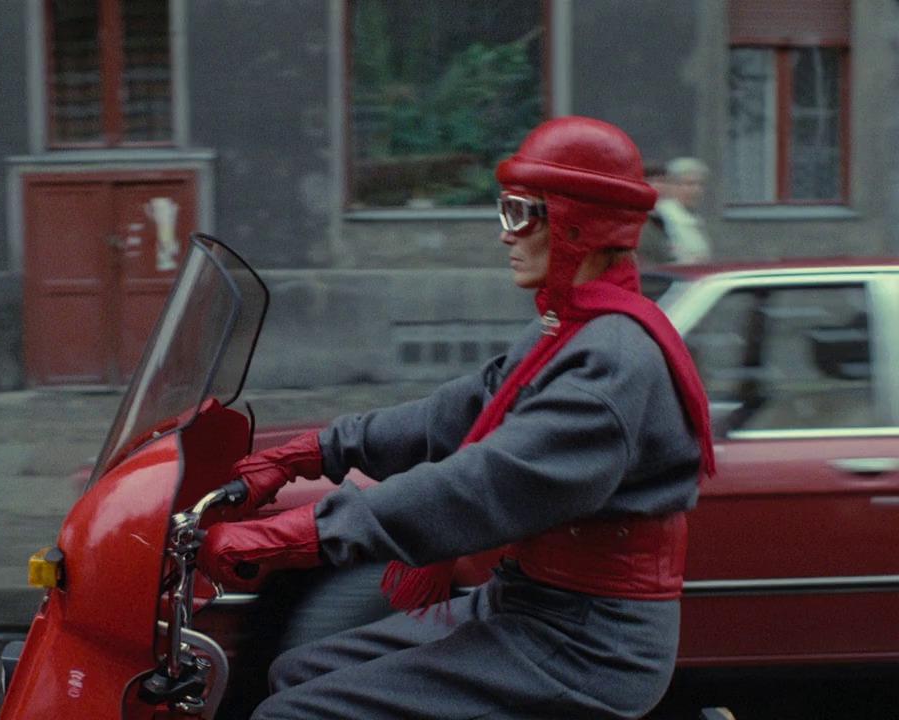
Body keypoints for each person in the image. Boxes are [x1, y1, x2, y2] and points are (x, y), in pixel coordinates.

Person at [199, 116, 716, 719]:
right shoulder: (569, 330)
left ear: (576, 224)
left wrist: (304, 533)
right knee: (299, 670)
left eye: (520, 212)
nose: (505, 233)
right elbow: (456, 412)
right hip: (533, 605)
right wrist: (311, 452)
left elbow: (480, 487)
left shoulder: (611, 364)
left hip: (587, 643)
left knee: (290, 715)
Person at [655, 157, 712, 263]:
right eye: (689, 184)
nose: (696, 190)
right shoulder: (663, 217)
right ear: (672, 186)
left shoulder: (694, 218)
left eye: (700, 184)